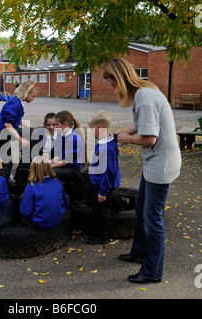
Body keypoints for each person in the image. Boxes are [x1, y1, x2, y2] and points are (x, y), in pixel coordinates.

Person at [103, 57, 181, 284]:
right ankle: (138, 253)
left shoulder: (145, 97)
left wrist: (127, 140)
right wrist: (118, 134)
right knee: (140, 209)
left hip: (161, 163)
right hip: (155, 161)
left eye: (111, 82)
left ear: (119, 78)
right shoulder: (144, 92)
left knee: (152, 218)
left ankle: (152, 271)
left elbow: (149, 137)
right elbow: (140, 125)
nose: (111, 87)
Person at [0, 79, 40, 184]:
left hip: (0, 133)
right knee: (30, 133)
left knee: (7, 162)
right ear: (27, 93)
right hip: (0, 133)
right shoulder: (15, 103)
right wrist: (21, 139)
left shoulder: (18, 102)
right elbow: (7, 124)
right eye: (33, 96)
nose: (34, 99)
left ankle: (3, 184)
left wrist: (31, 127)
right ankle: (28, 162)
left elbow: (19, 120)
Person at [84, 110, 121, 245]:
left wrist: (103, 191)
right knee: (96, 207)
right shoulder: (105, 141)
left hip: (103, 185)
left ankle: (101, 236)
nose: (90, 132)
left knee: (102, 212)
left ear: (99, 128)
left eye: (91, 129)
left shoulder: (107, 147)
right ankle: (118, 202)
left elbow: (109, 171)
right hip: (98, 182)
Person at [19, 156, 68, 230]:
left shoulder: (31, 186)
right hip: (57, 221)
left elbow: (26, 212)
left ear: (32, 169)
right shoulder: (57, 181)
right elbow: (65, 202)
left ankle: (22, 225)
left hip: (39, 223)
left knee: (22, 197)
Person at [51, 110, 86, 184]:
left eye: (57, 124)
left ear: (65, 124)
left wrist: (48, 167)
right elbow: (57, 157)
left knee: (46, 173)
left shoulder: (74, 138)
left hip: (73, 169)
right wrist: (46, 163)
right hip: (65, 166)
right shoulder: (61, 135)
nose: (54, 127)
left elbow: (64, 163)